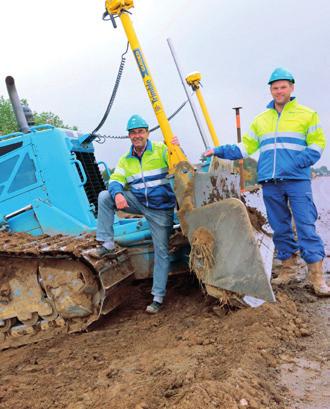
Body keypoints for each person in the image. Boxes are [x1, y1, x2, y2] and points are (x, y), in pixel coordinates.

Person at [204, 67, 330, 297]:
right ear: (270, 90)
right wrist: (219, 150)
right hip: (270, 182)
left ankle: (317, 277)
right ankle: (289, 269)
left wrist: (295, 163)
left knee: (305, 226)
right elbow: (245, 147)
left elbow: (317, 145)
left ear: (291, 88)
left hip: (296, 180)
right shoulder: (262, 120)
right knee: (280, 227)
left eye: (283, 87)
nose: (279, 91)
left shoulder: (307, 114)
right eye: (275, 87)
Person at [90, 114, 178, 313]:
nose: (137, 136)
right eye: (133, 133)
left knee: (161, 251)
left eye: (140, 131)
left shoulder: (161, 150)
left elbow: (178, 164)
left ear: (147, 133)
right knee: (105, 196)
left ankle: (157, 297)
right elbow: (114, 180)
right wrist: (119, 194)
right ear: (129, 136)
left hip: (161, 208)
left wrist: (175, 147)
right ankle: (106, 243)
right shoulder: (125, 160)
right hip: (138, 202)